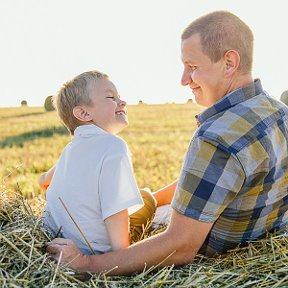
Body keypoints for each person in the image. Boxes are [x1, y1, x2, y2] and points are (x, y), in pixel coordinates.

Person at [46, 11, 288, 275]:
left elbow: (181, 246)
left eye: (192, 67)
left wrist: (85, 264)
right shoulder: (278, 111)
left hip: (218, 252)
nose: (184, 80)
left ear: (229, 62)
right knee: (148, 202)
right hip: (261, 234)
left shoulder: (216, 137)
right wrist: (147, 197)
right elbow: (212, 181)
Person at [41, 70, 157, 255]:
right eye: (111, 97)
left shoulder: (69, 150)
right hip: (96, 252)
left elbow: (44, 180)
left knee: (141, 194)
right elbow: (114, 210)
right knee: (148, 199)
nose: (122, 102)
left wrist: (47, 183)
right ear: (84, 113)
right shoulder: (114, 146)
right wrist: (121, 258)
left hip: (63, 245)